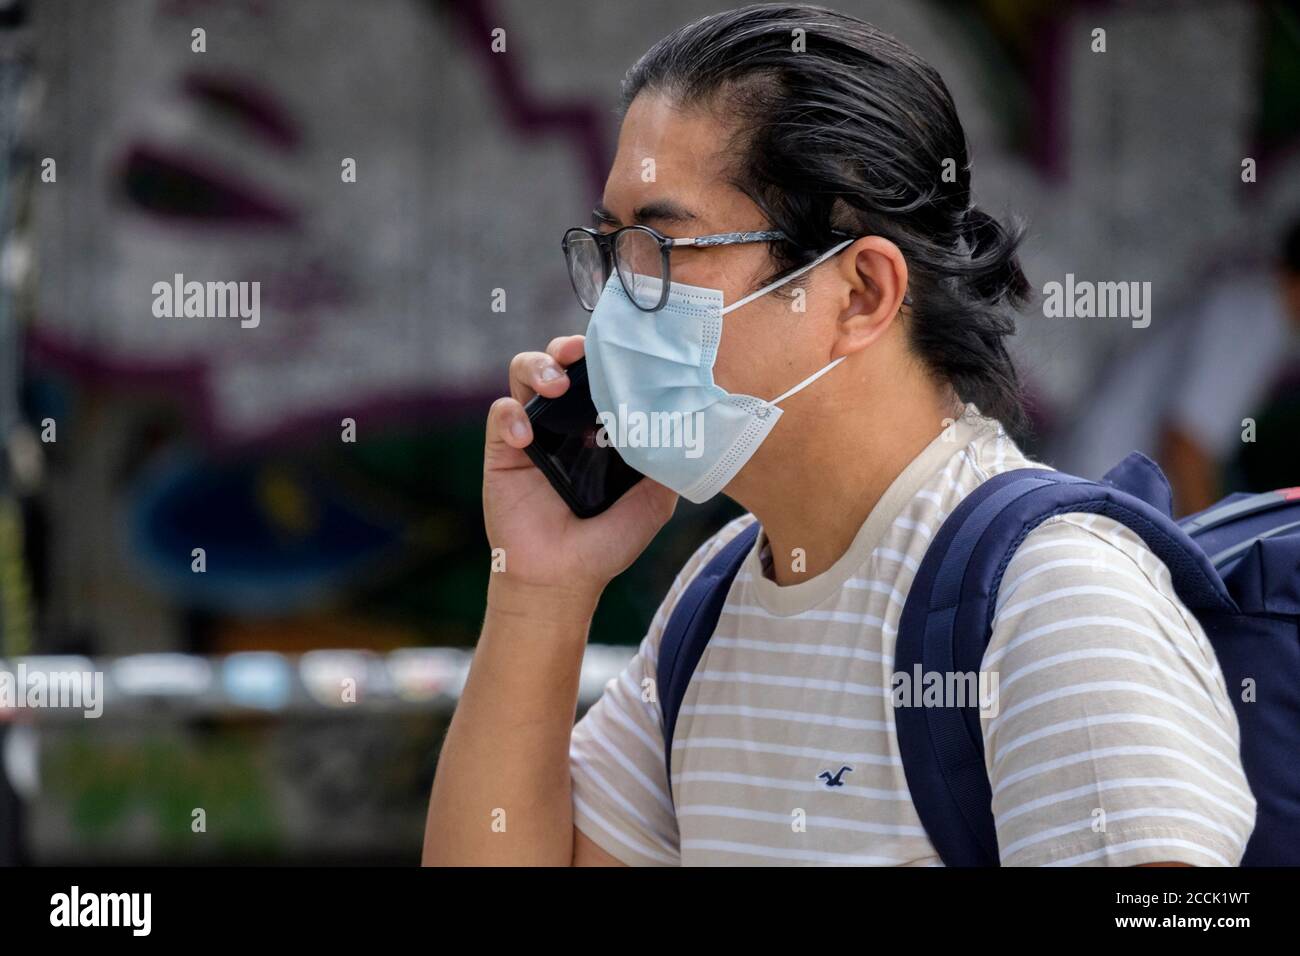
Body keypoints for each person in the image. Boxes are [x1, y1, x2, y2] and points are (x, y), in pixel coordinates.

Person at [423, 4, 1255, 867]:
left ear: (859, 293)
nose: (619, 303)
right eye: (612, 247)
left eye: (664, 247)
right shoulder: (713, 605)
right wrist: (539, 589)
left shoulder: (1055, 600)